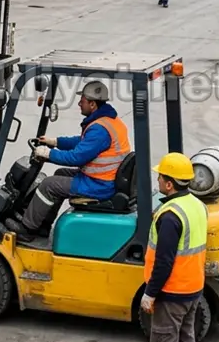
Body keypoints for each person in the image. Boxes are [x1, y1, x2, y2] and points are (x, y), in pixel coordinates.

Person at [7, 80, 131, 238]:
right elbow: (81, 142)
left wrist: (48, 154)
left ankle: (27, 228)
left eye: (83, 101)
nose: (79, 103)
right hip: (102, 179)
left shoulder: (100, 130)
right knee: (60, 173)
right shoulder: (108, 122)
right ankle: (44, 224)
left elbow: (77, 157)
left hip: (98, 185)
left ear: (92, 104)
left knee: (48, 185)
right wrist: (55, 142)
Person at [135, 152, 208, 342]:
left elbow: (164, 261)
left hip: (173, 292)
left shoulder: (170, 216)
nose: (157, 180)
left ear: (169, 184)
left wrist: (150, 293)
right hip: (193, 289)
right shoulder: (196, 205)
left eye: (160, 176)